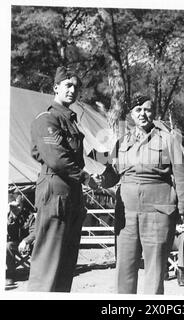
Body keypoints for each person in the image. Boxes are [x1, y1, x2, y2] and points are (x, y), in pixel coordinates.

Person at [91, 93, 184, 294]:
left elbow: (181, 176)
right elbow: (113, 174)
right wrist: (99, 180)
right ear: (131, 114)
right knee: (125, 265)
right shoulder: (121, 142)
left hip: (158, 210)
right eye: (138, 110)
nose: (142, 114)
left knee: (155, 268)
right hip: (126, 212)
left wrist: (182, 211)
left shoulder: (168, 139)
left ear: (153, 112)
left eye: (147, 109)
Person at [27, 66, 98, 292]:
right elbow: (56, 158)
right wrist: (85, 177)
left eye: (76, 86)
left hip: (71, 198)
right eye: (68, 85)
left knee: (66, 267)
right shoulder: (47, 118)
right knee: (47, 266)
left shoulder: (70, 120)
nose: (73, 90)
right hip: (55, 196)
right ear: (55, 87)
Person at [6, 193, 35, 288]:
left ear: (22, 204)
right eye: (14, 206)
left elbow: (35, 231)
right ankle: (11, 274)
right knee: (7, 246)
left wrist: (26, 240)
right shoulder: (7, 215)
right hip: (14, 243)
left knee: (39, 244)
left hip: (28, 244)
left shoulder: (29, 215)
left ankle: (36, 272)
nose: (17, 208)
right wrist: (12, 217)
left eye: (19, 205)